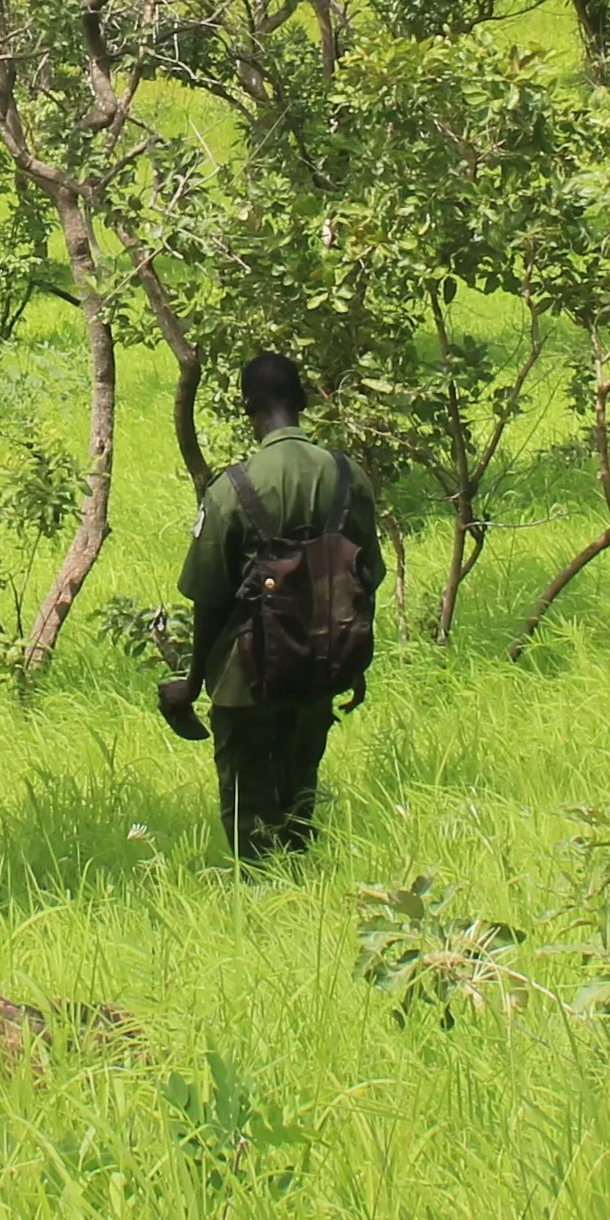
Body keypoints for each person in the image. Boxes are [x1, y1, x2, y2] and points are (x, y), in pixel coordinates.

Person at [170, 350, 384, 860]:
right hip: (319, 668)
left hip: (248, 681)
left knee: (249, 813)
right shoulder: (348, 475)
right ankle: (302, 894)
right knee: (298, 800)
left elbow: (210, 597)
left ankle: (262, 909)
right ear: (304, 400)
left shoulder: (233, 488)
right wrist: (353, 665)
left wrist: (193, 682)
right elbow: (365, 578)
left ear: (248, 406)